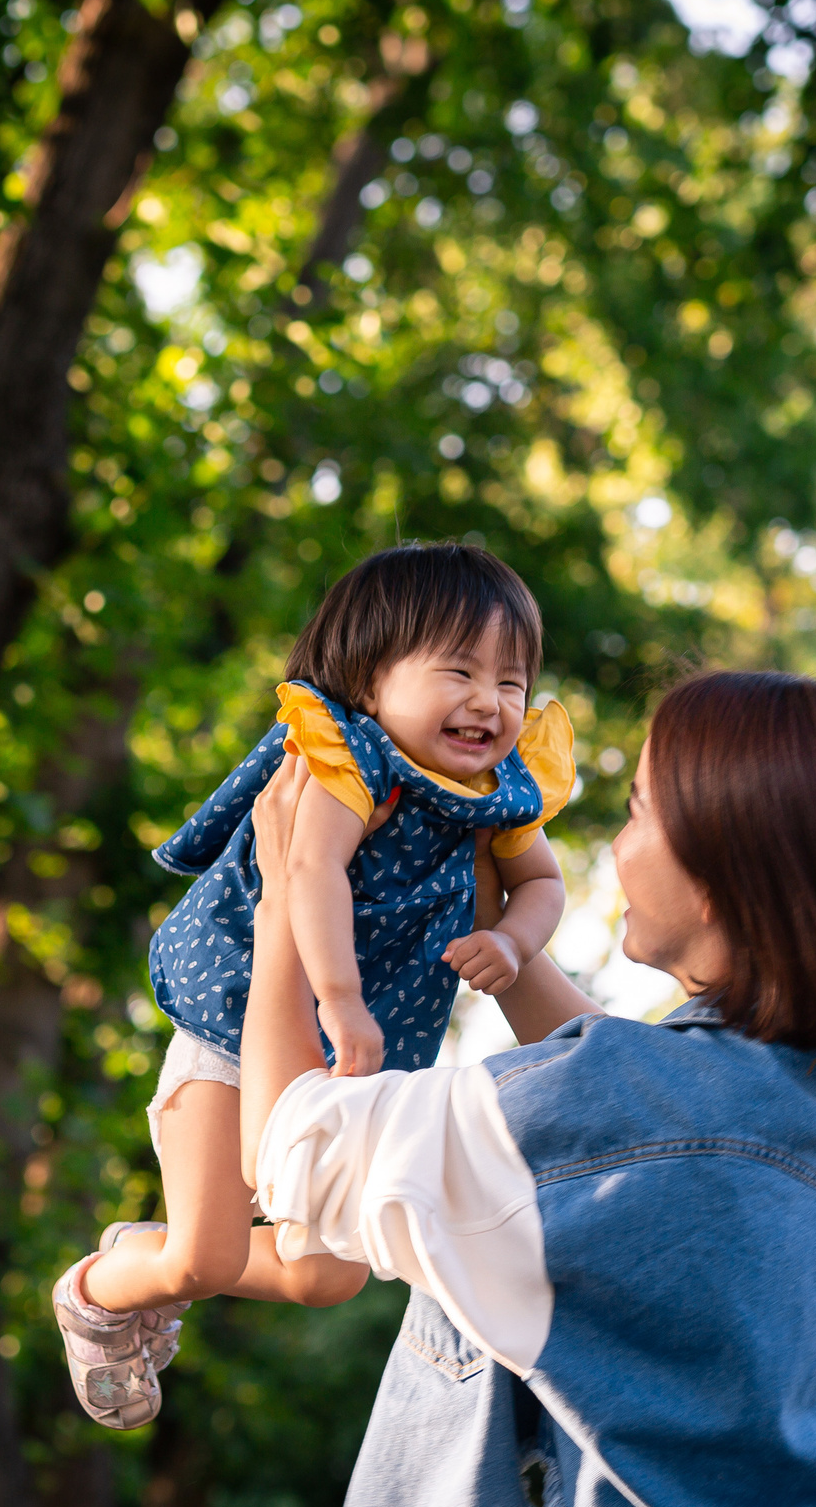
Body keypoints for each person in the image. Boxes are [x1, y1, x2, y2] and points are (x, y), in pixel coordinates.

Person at [235, 670, 816, 1507]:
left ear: (723, 870)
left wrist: (287, 898)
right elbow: (652, 1123)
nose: (617, 846)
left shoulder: (640, 1113)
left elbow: (292, 1146)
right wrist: (497, 934)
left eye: (636, 810)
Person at [53, 542, 576, 1429]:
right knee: (205, 1260)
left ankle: (155, 1242)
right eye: (459, 671)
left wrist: (511, 942)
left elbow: (544, 883)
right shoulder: (344, 758)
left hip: (356, 1055)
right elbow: (310, 872)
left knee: (330, 1276)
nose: (489, 701)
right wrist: (339, 999)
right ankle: (99, 1290)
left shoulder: (497, 790)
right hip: (240, 1021)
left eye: (512, 681)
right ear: (370, 681)